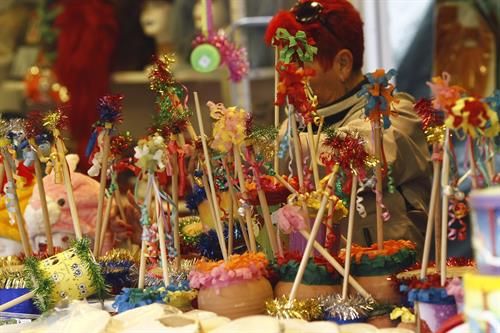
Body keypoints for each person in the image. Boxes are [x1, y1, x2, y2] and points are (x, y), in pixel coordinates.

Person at [265, 0, 431, 252]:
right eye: (285, 65)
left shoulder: (395, 113)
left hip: (390, 283)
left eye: (300, 64)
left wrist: (266, 150)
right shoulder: (291, 126)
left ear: (342, 64)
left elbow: (364, 152)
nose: (288, 76)